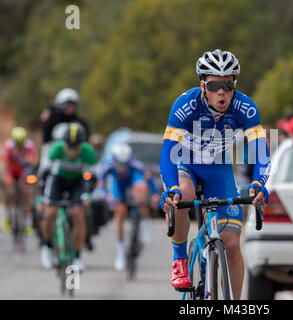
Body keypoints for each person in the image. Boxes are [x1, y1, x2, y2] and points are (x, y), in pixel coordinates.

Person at [159, 49, 270, 299]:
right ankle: (180, 261)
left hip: (219, 170)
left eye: (228, 84)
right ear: (203, 86)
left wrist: (258, 183)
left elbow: (261, 153)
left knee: (231, 245)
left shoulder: (245, 107)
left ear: (234, 85)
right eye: (215, 84)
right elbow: (167, 153)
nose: (222, 91)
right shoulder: (185, 105)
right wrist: (171, 188)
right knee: (182, 196)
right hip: (186, 163)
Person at [39, 123, 96, 271]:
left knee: (79, 213)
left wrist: (87, 195)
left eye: (75, 148)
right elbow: (44, 174)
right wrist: (41, 197)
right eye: (68, 147)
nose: (71, 152)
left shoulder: (88, 151)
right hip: (57, 181)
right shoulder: (56, 149)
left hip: (77, 182)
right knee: (50, 212)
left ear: (81, 144)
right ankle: (47, 247)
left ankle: (76, 256)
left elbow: (92, 178)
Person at [97, 143, 152, 271]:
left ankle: (145, 225)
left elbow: (149, 180)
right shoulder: (106, 165)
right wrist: (109, 197)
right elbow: (101, 185)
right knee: (119, 212)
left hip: (133, 181)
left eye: (125, 164)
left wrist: (154, 195)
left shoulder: (135, 164)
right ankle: (120, 252)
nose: (122, 167)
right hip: (118, 187)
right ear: (114, 160)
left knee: (141, 193)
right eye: (119, 164)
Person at [1, 127, 38, 235]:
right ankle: (7, 217)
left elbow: (34, 161)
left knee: (26, 192)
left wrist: (31, 173)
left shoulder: (29, 145)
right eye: (18, 142)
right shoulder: (8, 146)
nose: (19, 144)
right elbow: (4, 164)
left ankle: (27, 222)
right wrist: (4, 179)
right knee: (10, 192)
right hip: (11, 170)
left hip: (23, 170)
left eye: (21, 142)